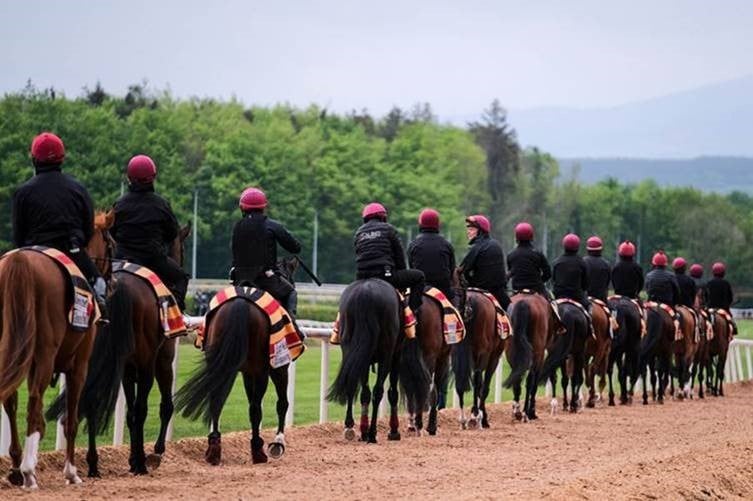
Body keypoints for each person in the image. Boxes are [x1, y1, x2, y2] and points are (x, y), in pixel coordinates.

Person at [12, 132, 108, 322]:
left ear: (34, 159)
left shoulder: (22, 192)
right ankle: (99, 312)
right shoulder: (77, 188)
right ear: (62, 158)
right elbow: (88, 229)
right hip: (70, 249)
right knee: (99, 284)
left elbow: (18, 234)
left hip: (31, 249)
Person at [112, 155, 189, 315]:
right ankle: (176, 317)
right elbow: (171, 235)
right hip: (153, 259)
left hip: (120, 260)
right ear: (153, 177)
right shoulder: (161, 205)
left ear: (129, 178)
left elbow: (111, 234)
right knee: (181, 278)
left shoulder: (119, 205)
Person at [230, 187, 302, 315]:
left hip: (238, 281)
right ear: (264, 207)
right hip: (264, 279)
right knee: (291, 293)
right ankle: (292, 328)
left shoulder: (237, 227)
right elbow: (295, 248)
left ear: (242, 208)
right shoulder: (272, 225)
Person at [354, 202, 425, 314]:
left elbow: (358, 255)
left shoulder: (359, 233)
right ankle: (412, 312)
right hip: (386, 276)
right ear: (383, 217)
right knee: (419, 276)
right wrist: (401, 274)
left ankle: (338, 326)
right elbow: (399, 256)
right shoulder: (389, 229)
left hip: (362, 278)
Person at [459, 214, 510, 309]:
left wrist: (469, 281)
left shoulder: (476, 248)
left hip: (479, 290)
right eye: (468, 229)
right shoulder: (497, 244)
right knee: (510, 316)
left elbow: (462, 270)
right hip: (499, 295)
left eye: (471, 229)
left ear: (480, 231)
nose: (468, 232)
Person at [408, 208, 456, 302]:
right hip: (443, 290)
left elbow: (411, 267)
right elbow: (451, 269)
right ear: (438, 224)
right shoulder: (446, 244)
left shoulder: (413, 244)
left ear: (421, 224)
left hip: (420, 288)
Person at [507, 222, 551, 297]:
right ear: (531, 236)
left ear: (516, 237)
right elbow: (548, 273)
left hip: (517, 290)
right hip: (537, 289)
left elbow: (511, 273)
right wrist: (540, 281)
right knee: (552, 303)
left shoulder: (511, 255)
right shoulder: (538, 254)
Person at [552, 233, 590, 310]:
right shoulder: (582, 262)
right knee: (589, 307)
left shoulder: (557, 262)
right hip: (577, 296)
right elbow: (585, 284)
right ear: (577, 246)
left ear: (564, 245)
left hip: (559, 296)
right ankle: (589, 322)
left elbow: (553, 280)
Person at [706, 261, 736, 335]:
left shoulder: (709, 283)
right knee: (731, 321)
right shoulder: (726, 283)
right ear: (723, 273)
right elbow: (730, 298)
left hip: (710, 308)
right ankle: (733, 330)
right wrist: (728, 304)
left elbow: (706, 296)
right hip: (723, 309)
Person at [583, 236, 611, 302]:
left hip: (584, 298)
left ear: (588, 250)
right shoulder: (606, 264)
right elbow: (607, 283)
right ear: (601, 250)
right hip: (601, 299)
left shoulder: (582, 262)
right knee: (614, 311)